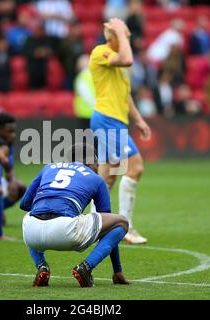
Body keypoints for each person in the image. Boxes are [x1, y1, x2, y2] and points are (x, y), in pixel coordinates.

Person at [21, 143, 130, 288]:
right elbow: (109, 226)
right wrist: (117, 270)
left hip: (31, 233)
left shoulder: (48, 167)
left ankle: (42, 267)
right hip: (65, 231)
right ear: (90, 161)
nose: (97, 168)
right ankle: (86, 267)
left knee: (32, 214)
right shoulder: (96, 179)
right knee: (121, 222)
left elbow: (24, 204)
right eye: (97, 163)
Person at [89, 18, 152, 244]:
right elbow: (127, 58)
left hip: (114, 120)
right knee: (135, 168)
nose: (129, 38)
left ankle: (91, 225)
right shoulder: (100, 52)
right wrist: (120, 33)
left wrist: (138, 119)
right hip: (107, 120)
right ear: (113, 36)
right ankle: (126, 227)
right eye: (125, 35)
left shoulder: (118, 63)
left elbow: (125, 95)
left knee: (107, 178)